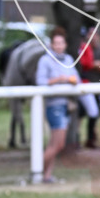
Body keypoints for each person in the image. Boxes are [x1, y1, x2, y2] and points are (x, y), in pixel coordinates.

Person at [35, 26, 80, 183]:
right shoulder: (45, 60)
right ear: (52, 44)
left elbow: (76, 78)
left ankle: (46, 176)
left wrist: (70, 80)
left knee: (54, 144)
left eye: (61, 43)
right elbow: (40, 81)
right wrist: (59, 79)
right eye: (56, 43)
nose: (59, 46)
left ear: (65, 44)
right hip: (54, 106)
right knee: (58, 145)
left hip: (66, 104)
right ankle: (36, 170)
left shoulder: (68, 59)